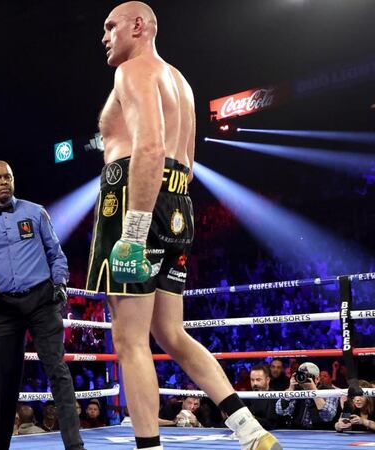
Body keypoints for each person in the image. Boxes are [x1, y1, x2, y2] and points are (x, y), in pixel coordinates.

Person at [87, 3, 281, 449]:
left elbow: (149, 148)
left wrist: (133, 233)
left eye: (110, 26)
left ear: (139, 26)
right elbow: (188, 163)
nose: (104, 36)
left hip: (135, 198)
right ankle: (250, 432)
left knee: (129, 338)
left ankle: (149, 447)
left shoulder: (134, 70)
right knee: (170, 333)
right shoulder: (182, 83)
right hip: (177, 203)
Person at [0, 160, 83, 450]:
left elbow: (57, 254)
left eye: (8, 177)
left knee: (58, 370)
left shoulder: (35, 212)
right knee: (2, 376)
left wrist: (60, 283)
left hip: (42, 300)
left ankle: (75, 445)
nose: (4, 182)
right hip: (4, 306)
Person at [275, 362, 339, 430]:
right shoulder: (295, 390)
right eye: (301, 375)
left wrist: (314, 392)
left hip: (320, 432)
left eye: (307, 376)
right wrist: (290, 390)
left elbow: (328, 416)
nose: (303, 378)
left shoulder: (329, 391)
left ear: (317, 379)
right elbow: (279, 411)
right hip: (296, 431)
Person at [246, 365, 280, 430]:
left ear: (267, 380)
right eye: (252, 380)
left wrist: (250, 419)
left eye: (258, 380)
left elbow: (271, 424)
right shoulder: (247, 396)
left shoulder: (274, 396)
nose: (254, 383)